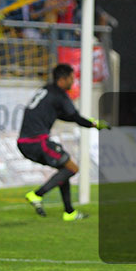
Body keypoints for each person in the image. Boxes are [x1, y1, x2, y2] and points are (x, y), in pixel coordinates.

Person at [17, 64, 109, 221]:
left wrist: (90, 123)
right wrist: (93, 124)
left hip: (26, 142)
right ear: (62, 79)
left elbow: (62, 115)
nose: (73, 82)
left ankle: (69, 212)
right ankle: (37, 195)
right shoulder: (60, 95)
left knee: (64, 169)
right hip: (37, 141)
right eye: (71, 78)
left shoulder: (47, 90)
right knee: (72, 168)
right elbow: (75, 116)